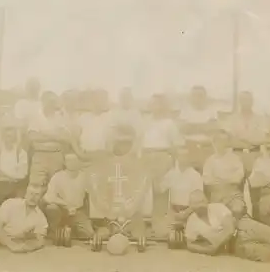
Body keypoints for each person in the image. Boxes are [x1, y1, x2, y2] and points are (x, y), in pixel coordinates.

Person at [86, 125, 150, 240]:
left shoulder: (137, 164)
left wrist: (129, 207)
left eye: (126, 143)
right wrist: (106, 206)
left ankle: (127, 230)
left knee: (137, 232)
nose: (123, 147)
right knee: (103, 232)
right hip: (108, 209)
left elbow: (141, 187)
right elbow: (96, 185)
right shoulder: (103, 163)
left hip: (130, 208)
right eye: (119, 143)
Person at [140, 94, 184, 236]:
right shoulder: (145, 122)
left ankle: (159, 227)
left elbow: (176, 146)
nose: (156, 107)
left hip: (162, 156)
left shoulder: (169, 123)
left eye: (159, 104)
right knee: (143, 192)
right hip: (146, 157)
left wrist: (172, 164)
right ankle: (142, 227)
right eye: (154, 104)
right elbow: (139, 143)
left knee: (161, 192)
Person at [225, 91, 266, 219]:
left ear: (252, 101)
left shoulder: (260, 118)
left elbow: (262, 138)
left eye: (248, 100)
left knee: (256, 193)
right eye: (243, 100)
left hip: (255, 156)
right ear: (239, 102)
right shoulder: (232, 119)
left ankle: (257, 223)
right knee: (237, 192)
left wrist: (242, 140)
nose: (246, 103)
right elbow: (229, 140)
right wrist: (248, 142)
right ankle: (239, 224)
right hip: (237, 155)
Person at [27, 91, 72, 193]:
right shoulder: (36, 116)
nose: (51, 104)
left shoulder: (60, 117)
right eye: (49, 101)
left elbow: (66, 137)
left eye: (53, 101)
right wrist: (55, 136)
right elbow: (32, 137)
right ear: (43, 102)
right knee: (35, 187)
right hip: (40, 156)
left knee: (55, 187)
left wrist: (43, 134)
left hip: (56, 156)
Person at [43, 153, 94, 239]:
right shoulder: (58, 176)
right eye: (69, 160)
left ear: (78, 162)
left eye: (74, 160)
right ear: (64, 163)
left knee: (88, 234)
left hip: (77, 211)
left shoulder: (84, 176)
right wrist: (67, 205)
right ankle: (55, 231)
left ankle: (71, 230)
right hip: (62, 210)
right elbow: (48, 197)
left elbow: (92, 194)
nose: (72, 163)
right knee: (51, 208)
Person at [202, 128, 246, 219]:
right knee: (216, 215)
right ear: (214, 142)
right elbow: (207, 181)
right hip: (216, 195)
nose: (222, 144)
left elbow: (238, 178)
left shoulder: (235, 159)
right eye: (219, 141)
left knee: (237, 209)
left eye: (225, 141)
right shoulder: (209, 161)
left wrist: (220, 179)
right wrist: (228, 179)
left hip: (233, 195)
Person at [159, 146, 204, 229]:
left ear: (189, 157)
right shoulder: (171, 173)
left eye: (185, 156)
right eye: (180, 155)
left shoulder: (195, 176)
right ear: (176, 157)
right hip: (173, 212)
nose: (183, 158)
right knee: (165, 232)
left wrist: (186, 213)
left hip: (191, 212)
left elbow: (199, 201)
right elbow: (160, 189)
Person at [179, 86, 218, 173]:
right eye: (195, 95)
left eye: (200, 95)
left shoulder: (212, 111)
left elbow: (212, 129)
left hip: (207, 148)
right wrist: (203, 127)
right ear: (191, 97)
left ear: (205, 97)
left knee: (207, 174)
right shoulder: (185, 111)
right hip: (190, 149)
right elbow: (183, 129)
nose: (197, 98)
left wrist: (192, 127)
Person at [184, 190, 236, 256]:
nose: (200, 207)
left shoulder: (219, 207)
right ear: (191, 206)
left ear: (207, 201)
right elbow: (190, 244)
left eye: (202, 202)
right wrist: (205, 250)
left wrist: (216, 245)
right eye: (195, 204)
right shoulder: (191, 220)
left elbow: (230, 229)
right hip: (212, 250)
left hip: (232, 243)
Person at [0, 117, 29, 203]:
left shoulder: (21, 153)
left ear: (15, 136)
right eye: (6, 135)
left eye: (11, 135)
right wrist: (10, 176)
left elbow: (22, 174)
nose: (8, 138)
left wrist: (3, 174)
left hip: (16, 187)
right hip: (0, 187)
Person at [76, 89, 112, 168]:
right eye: (97, 99)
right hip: (85, 156)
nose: (100, 102)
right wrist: (79, 153)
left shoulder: (109, 118)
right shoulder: (83, 118)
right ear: (93, 101)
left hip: (102, 157)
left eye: (103, 99)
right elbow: (74, 138)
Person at [14, 78, 41, 159]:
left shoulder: (42, 104)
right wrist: (19, 143)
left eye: (35, 87)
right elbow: (19, 125)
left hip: (40, 139)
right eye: (31, 87)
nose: (33, 89)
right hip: (25, 139)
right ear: (27, 89)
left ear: (38, 89)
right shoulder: (21, 104)